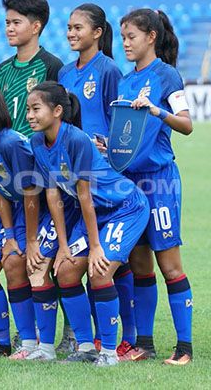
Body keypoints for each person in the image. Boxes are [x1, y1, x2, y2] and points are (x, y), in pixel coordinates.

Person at [26, 81, 150, 367]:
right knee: (67, 270)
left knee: (99, 270)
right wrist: (64, 244)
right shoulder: (37, 142)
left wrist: (95, 247)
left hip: (125, 208)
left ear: (57, 111)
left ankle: (108, 352)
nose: (30, 115)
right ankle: (85, 347)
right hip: (93, 214)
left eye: (36, 109)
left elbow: (84, 196)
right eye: (29, 109)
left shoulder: (76, 139)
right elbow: (53, 192)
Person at [0, 82, 77, 361]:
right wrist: (0, 233)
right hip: (13, 213)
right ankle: (13, 342)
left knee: (25, 263)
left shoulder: (11, 143)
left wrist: (30, 239)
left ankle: (44, 343)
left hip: (44, 210)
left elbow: (31, 194)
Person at [116, 8, 194, 365]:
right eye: (122, 37)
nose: (126, 44)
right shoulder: (124, 81)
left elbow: (187, 125)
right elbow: (126, 136)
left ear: (151, 37)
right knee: (140, 265)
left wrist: (156, 111)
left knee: (170, 266)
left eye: (131, 37)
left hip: (159, 182)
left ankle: (185, 347)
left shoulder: (167, 76)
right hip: (131, 186)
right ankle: (144, 345)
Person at [58, 3, 134, 355]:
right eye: (69, 28)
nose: (72, 33)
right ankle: (87, 341)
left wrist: (107, 149)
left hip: (104, 178)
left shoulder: (108, 70)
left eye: (78, 28)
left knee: (115, 264)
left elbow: (120, 126)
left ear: (98, 33)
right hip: (72, 181)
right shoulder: (63, 73)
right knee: (81, 260)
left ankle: (125, 338)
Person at [0, 0, 63, 137]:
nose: (10, 29)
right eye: (7, 23)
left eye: (16, 23)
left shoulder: (51, 66)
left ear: (35, 27)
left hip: (37, 152)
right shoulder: (2, 69)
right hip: (7, 151)